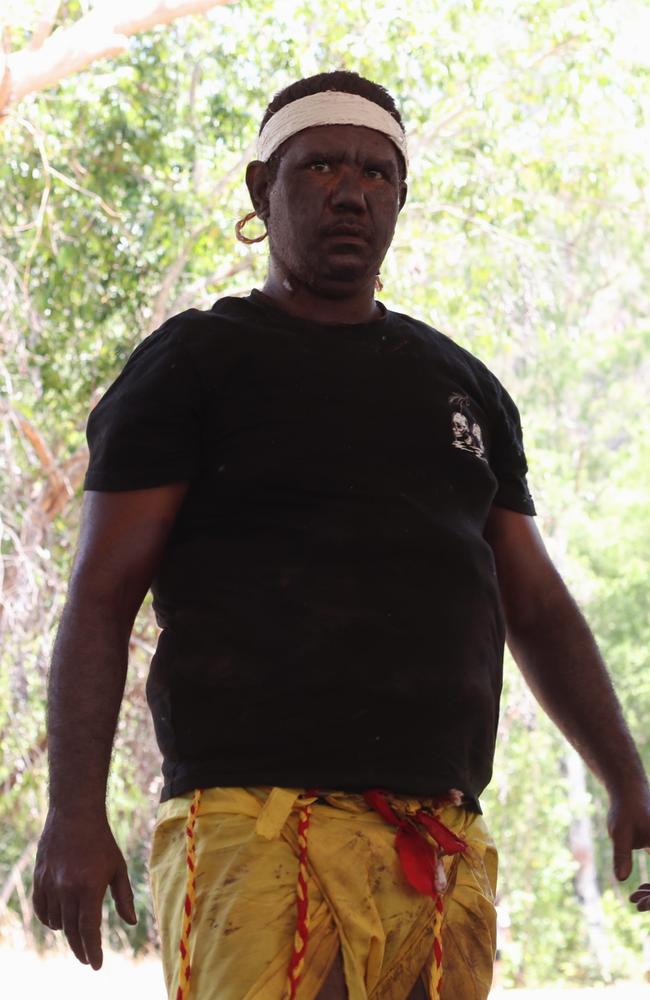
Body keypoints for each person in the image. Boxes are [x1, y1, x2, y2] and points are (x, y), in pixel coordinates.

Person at [32, 71, 650, 1000]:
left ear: (400, 198)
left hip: (434, 841)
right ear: (260, 190)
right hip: (257, 828)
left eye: (376, 172)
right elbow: (101, 595)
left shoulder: (462, 386)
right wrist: (73, 812)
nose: (350, 191)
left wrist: (627, 778)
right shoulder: (195, 365)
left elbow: (535, 600)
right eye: (318, 164)